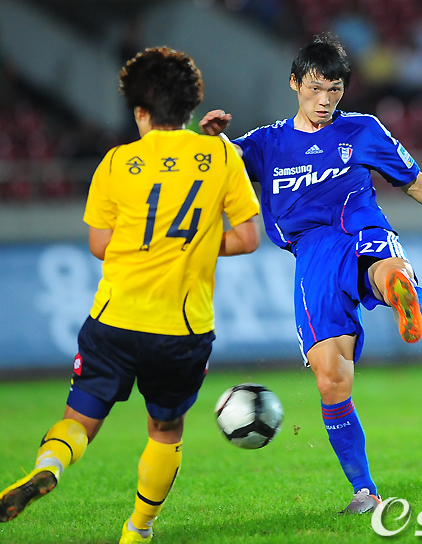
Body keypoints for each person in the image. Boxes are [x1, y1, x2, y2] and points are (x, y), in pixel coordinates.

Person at [200, 33, 422, 514]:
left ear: (344, 90)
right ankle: (365, 490)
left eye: (334, 90)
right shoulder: (267, 143)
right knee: (330, 380)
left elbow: (413, 180)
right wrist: (212, 141)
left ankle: (402, 290)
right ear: (294, 83)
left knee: (379, 269)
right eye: (315, 88)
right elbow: (221, 165)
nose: (324, 100)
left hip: (357, 229)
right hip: (311, 253)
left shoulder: (362, 130)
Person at [0, 46, 260, 542]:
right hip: (181, 328)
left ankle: (49, 467)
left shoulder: (117, 162)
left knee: (79, 419)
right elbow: (248, 238)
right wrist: (193, 243)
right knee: (165, 430)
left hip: (113, 319)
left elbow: (100, 245)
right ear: (191, 106)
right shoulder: (222, 155)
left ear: (140, 110)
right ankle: (138, 529)